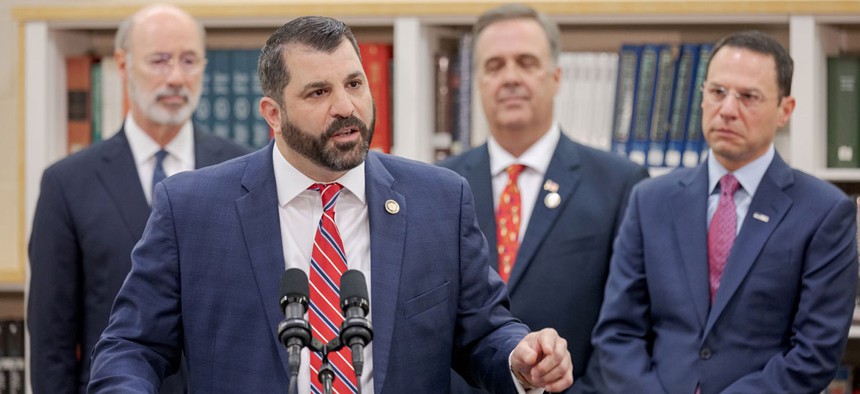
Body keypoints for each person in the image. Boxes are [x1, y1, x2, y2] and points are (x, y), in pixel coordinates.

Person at [88, 15, 573, 393]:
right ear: (272, 115)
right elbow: (132, 345)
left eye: (354, 84)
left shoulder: (440, 201)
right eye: (319, 91)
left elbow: (483, 331)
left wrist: (520, 357)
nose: (346, 106)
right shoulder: (192, 208)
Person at [592, 30, 858, 394]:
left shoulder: (825, 212)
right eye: (717, 92)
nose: (728, 110)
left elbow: (816, 353)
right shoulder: (649, 200)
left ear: (785, 110)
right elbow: (617, 332)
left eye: (749, 97)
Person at [27, 4, 251, 394]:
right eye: (160, 61)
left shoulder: (243, 170)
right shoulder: (67, 183)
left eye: (189, 60)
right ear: (122, 64)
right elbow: (52, 344)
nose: (177, 77)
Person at [439, 4, 648, 393]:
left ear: (556, 76)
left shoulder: (620, 184)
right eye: (495, 65)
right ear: (477, 82)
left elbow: (629, 327)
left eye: (526, 62)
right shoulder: (439, 186)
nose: (511, 78)